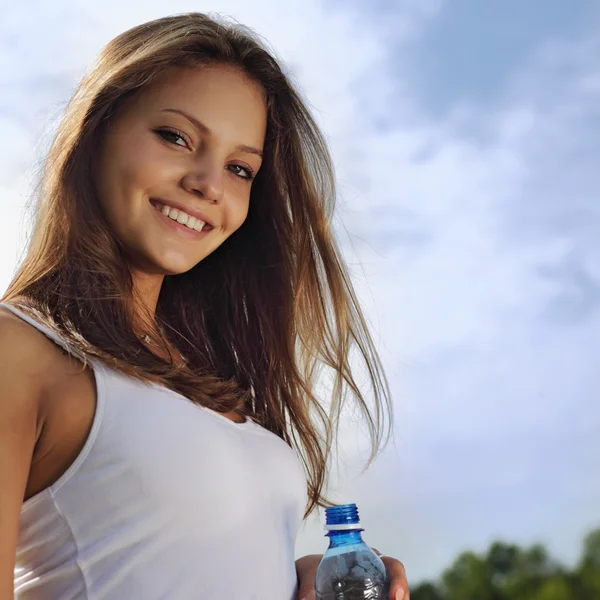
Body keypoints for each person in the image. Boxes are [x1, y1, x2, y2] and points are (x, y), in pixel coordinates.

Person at [0, 12, 409, 600]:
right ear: (95, 134)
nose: (208, 184)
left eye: (240, 168)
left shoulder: (207, 385)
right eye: (175, 137)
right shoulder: (20, 350)